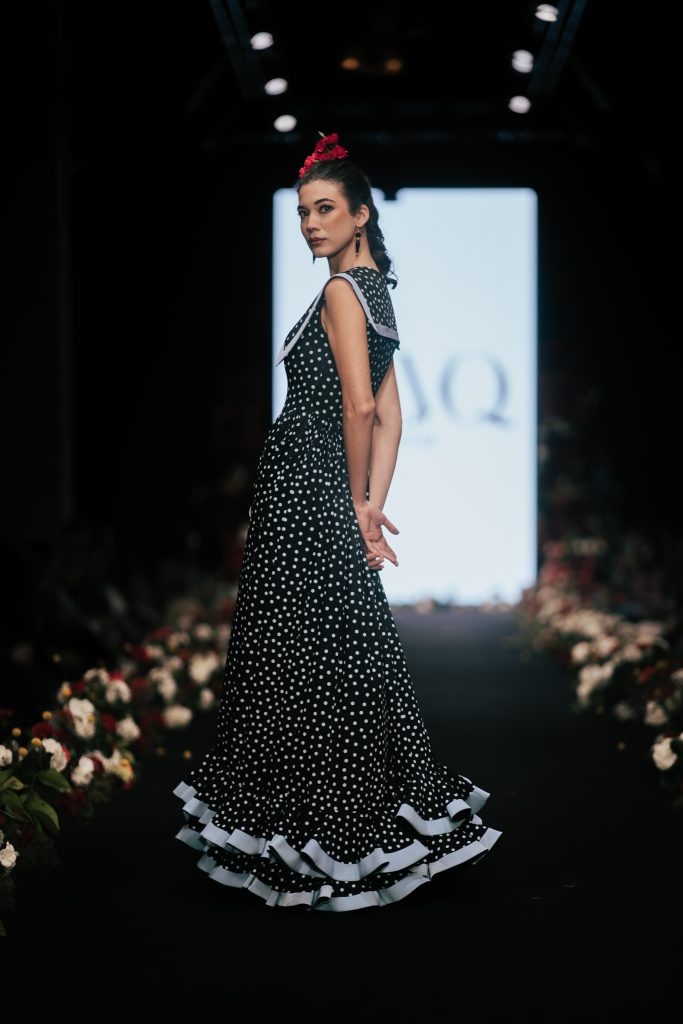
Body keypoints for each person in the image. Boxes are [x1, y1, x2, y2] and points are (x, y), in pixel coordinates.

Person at [172, 131, 502, 912]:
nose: (310, 223)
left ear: (360, 216)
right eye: (302, 212)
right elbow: (392, 416)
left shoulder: (340, 294)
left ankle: (319, 828)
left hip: (304, 490)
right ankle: (343, 819)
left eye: (324, 209)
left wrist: (355, 502)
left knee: (293, 654)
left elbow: (361, 408)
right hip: (323, 492)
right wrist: (369, 505)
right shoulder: (375, 292)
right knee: (344, 652)